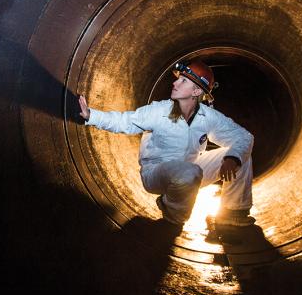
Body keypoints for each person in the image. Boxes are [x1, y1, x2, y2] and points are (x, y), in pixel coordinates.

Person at [78, 59, 254, 230]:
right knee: (189, 172)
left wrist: (232, 158)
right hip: (156, 173)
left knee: (240, 155)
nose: (175, 83)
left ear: (196, 92)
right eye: (178, 78)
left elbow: (244, 137)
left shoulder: (208, 117)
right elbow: (125, 121)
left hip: (190, 171)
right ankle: (172, 211)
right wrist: (91, 115)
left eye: (183, 81)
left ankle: (233, 212)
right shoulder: (159, 111)